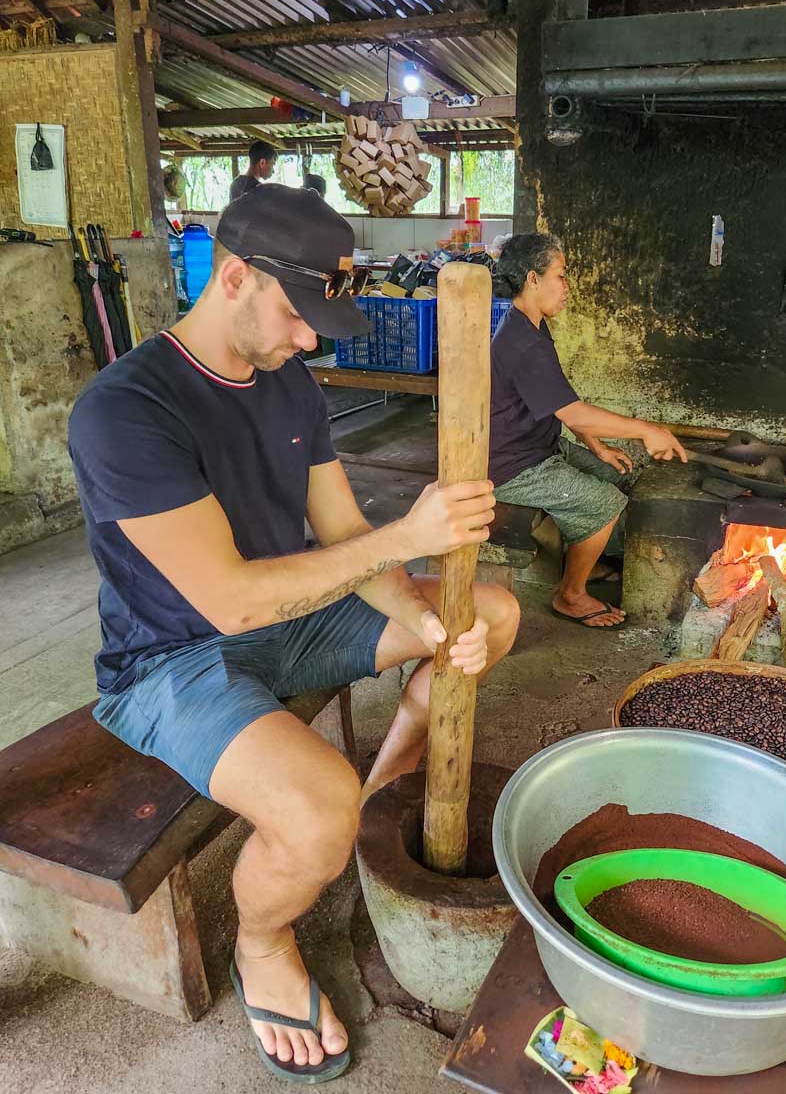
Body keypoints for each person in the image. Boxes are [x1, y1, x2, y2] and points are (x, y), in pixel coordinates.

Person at [68, 185, 520, 1084]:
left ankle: (386, 779)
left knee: (490, 613)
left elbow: (349, 542)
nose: (309, 340)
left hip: (293, 619)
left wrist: (432, 623)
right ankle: (265, 941)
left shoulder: (290, 385)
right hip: (172, 657)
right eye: (297, 315)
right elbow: (232, 603)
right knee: (316, 811)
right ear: (233, 277)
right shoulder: (124, 409)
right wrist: (412, 538)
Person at [489, 232, 687, 630]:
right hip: (512, 467)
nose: (567, 286)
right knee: (603, 504)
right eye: (561, 276)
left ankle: (587, 558)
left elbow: (561, 402)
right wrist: (646, 430)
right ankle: (570, 595)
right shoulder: (522, 342)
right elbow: (574, 412)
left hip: (540, 447)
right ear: (532, 279)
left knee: (617, 473)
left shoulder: (532, 326)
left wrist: (596, 446)